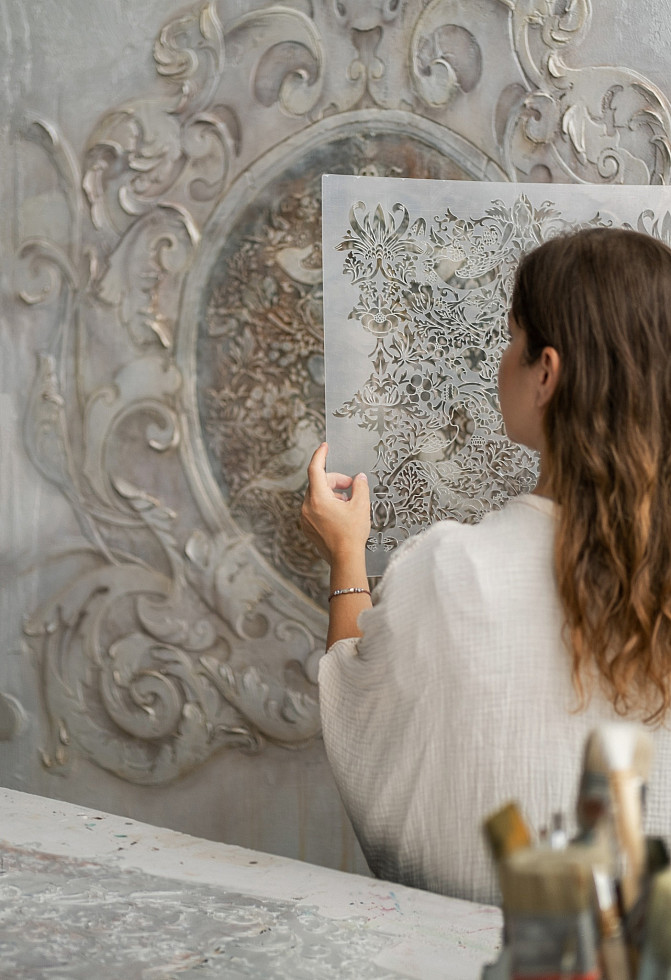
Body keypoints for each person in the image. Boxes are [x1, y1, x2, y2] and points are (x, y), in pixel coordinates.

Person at [301, 226, 671, 906]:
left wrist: (346, 553)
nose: (497, 360)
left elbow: (361, 723)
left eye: (510, 337)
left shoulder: (451, 573)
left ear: (546, 373)